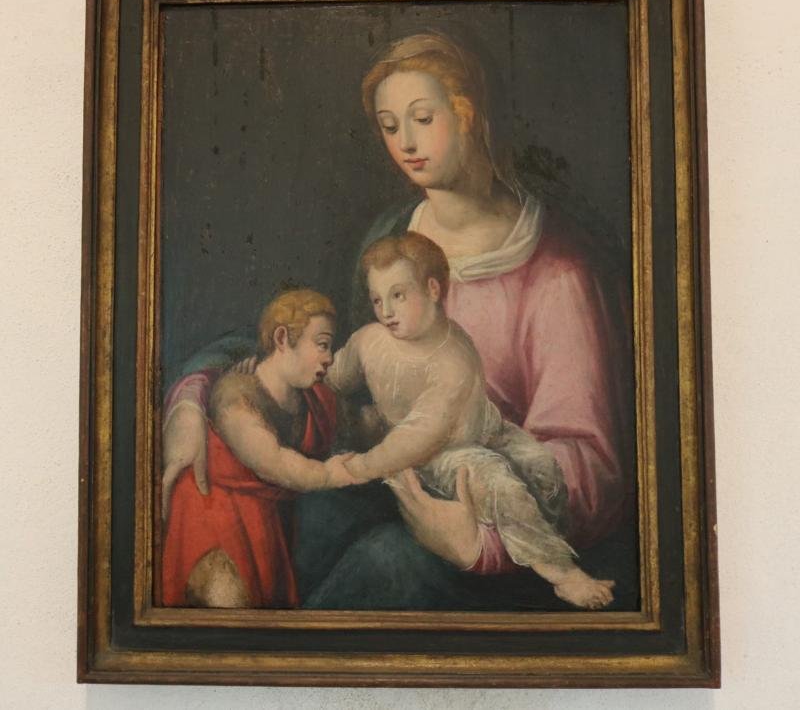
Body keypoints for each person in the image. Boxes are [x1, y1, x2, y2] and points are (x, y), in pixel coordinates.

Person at [162, 31, 631, 610]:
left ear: (468, 114)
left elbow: (590, 468)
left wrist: (477, 544)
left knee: (386, 564)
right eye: (389, 126)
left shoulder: (559, 273)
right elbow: (313, 356)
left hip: (489, 520)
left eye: (423, 118)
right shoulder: (391, 237)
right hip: (387, 477)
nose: (405, 142)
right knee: (291, 515)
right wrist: (192, 400)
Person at [328, 230, 614, 609]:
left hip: (479, 426)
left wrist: (364, 463)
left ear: (432, 289)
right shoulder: (369, 341)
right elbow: (340, 380)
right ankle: (562, 574)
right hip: (441, 453)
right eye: (377, 299)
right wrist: (359, 453)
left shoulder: (453, 355)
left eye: (398, 295)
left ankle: (535, 543)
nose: (386, 311)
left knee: (542, 467)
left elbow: (433, 425)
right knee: (500, 485)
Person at [161, 289, 356, 609]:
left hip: (265, 518)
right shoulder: (236, 393)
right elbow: (272, 461)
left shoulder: (313, 397)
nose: (329, 357)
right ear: (282, 339)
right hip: (217, 516)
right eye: (322, 344)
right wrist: (328, 475)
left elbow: (354, 424)